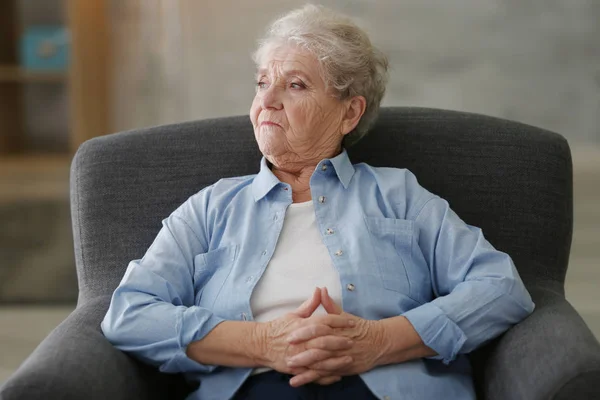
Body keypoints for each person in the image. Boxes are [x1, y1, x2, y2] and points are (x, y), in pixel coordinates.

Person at [101, 4, 535, 400]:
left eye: (295, 84)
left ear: (349, 113)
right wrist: (262, 344)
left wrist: (378, 342)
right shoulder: (211, 208)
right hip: (255, 387)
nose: (267, 101)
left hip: (386, 386)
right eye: (262, 83)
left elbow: (500, 288)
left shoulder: (399, 195)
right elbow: (129, 313)